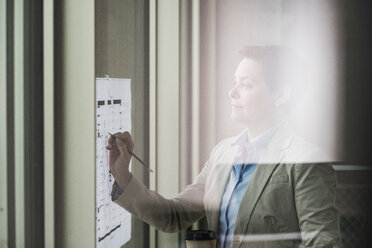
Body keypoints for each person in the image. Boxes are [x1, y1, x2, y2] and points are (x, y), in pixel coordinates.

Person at [106, 45, 340, 248]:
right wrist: (122, 175)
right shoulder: (224, 152)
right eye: (234, 83)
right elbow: (174, 215)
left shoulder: (305, 159)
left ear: (280, 94)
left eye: (246, 85)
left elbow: (322, 243)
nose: (232, 92)